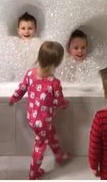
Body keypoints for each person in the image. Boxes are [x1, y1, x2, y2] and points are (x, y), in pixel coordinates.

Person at [9, 41, 69, 180]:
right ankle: (33, 173)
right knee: (40, 146)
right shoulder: (54, 83)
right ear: (56, 63)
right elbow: (58, 101)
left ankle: (59, 155)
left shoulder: (30, 73)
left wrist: (14, 98)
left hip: (32, 117)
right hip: (43, 121)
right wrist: (64, 105)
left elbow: (21, 89)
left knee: (50, 132)